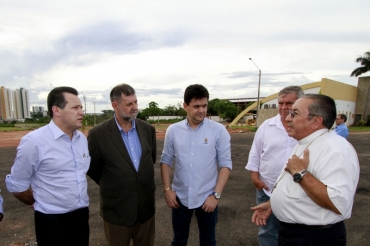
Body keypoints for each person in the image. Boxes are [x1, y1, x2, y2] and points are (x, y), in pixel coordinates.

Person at [251, 94, 360, 246]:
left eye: (294, 113)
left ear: (315, 121)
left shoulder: (334, 150)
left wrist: (300, 173)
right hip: (294, 234)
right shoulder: (305, 142)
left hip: (314, 238)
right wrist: (273, 204)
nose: (288, 118)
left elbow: (338, 202)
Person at [5, 86, 90, 246]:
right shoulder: (34, 142)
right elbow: (17, 185)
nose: (81, 112)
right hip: (52, 221)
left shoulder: (81, 139)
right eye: (75, 108)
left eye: (81, 107)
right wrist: (37, 200)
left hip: (81, 217)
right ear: (57, 110)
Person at [160, 84, 232, 246]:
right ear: (185, 106)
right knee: (178, 240)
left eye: (204, 106)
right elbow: (165, 160)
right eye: (196, 106)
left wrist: (216, 195)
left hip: (207, 197)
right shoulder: (173, 130)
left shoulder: (218, 130)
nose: (201, 110)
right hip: (180, 197)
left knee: (208, 241)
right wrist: (167, 190)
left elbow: (226, 164)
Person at [87, 83, 156, 246]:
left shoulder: (148, 130)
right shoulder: (98, 134)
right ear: (115, 105)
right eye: (129, 104)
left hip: (145, 211)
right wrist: (115, 182)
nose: (134, 107)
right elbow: (93, 168)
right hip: (116, 213)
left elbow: (149, 161)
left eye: (136, 102)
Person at [245, 86, 304, 246]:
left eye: (289, 103)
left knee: (294, 230)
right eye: (281, 103)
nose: (284, 108)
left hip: (298, 191)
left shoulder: (305, 128)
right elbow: (255, 154)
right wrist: (255, 178)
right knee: (267, 230)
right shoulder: (266, 126)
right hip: (267, 189)